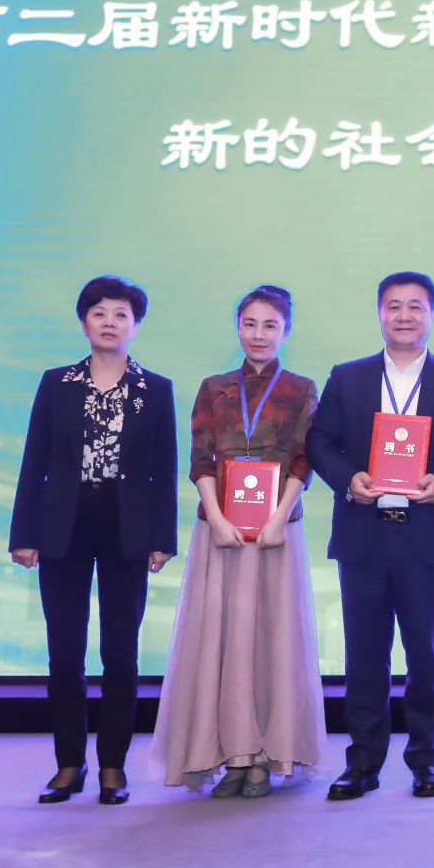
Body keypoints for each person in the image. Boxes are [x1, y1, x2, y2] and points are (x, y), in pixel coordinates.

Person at [305, 271, 434, 802]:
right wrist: (349, 480)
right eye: (393, 306)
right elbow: (320, 442)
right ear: (379, 314)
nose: (404, 315)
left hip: (427, 536)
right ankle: (362, 763)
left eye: (415, 306)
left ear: (432, 315)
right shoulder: (348, 377)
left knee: (426, 658)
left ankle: (427, 761)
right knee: (364, 658)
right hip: (363, 534)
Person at [149, 284, 325, 798]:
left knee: (271, 641)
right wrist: (218, 517)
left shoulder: (300, 389)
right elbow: (200, 458)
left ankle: (265, 757)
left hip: (276, 534)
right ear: (237, 327)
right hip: (220, 534)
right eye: (249, 324)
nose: (258, 334)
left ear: (286, 331)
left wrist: (278, 518)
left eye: (270, 325)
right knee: (220, 642)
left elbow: (303, 459)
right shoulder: (214, 388)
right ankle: (231, 756)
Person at [10, 275, 177, 806]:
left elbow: (164, 469)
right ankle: (68, 763)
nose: (110, 322)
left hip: (128, 526)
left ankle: (112, 766)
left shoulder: (156, 389)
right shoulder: (56, 383)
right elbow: (34, 460)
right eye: (99, 313)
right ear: (84, 323)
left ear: (135, 326)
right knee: (65, 651)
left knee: (121, 652)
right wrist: (24, 533)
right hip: (63, 524)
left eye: (121, 314)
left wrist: (162, 537)